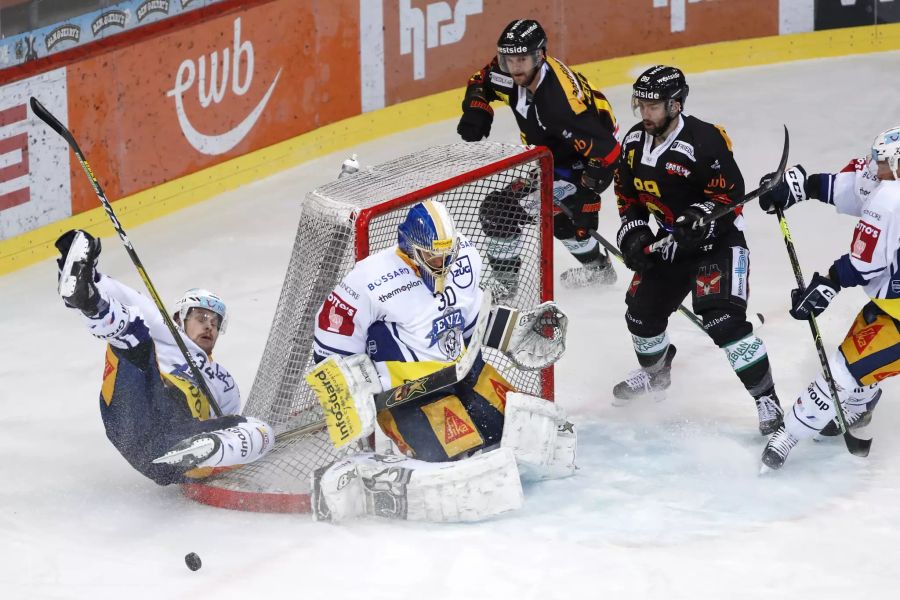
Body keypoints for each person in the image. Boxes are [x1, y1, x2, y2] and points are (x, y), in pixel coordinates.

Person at [307, 200, 575, 522]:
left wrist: (513, 330)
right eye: (435, 257)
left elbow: (470, 320)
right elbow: (331, 337)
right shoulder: (370, 279)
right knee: (457, 465)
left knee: (534, 437)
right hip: (411, 397)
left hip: (469, 375)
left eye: (449, 254)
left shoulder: (464, 259)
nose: (445, 264)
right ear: (411, 248)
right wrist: (347, 391)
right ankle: (368, 475)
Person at [612, 65, 782, 435]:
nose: (645, 114)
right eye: (640, 105)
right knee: (640, 317)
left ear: (675, 105)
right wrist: (635, 233)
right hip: (673, 242)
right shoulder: (632, 143)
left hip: (718, 244)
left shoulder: (704, 141)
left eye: (653, 107)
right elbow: (627, 196)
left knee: (724, 322)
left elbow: (731, 196)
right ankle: (657, 372)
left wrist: (702, 215)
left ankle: (766, 398)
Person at [55, 229, 273, 485]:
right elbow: (115, 290)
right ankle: (91, 305)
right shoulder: (164, 328)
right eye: (200, 318)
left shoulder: (226, 384)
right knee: (134, 332)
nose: (209, 326)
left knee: (262, 430)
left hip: (175, 435)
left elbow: (228, 426)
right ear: (179, 318)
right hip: (135, 409)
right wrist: (84, 271)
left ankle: (193, 453)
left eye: (215, 322)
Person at [756, 126, 900, 469]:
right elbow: (852, 187)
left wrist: (828, 284)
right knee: (856, 362)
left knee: (841, 371)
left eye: (883, 163)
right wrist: (799, 188)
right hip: (890, 308)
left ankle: (789, 433)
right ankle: (859, 404)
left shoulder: (892, 199)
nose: (874, 167)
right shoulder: (885, 183)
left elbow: (865, 264)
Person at [456, 18, 621, 292]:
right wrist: (477, 107)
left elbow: (608, 152)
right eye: (508, 59)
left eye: (521, 59)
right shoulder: (511, 71)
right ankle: (598, 270)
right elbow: (481, 79)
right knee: (558, 218)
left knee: (498, 212)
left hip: (581, 162)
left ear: (540, 56)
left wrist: (587, 191)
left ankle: (504, 290)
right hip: (556, 154)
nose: (514, 67)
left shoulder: (559, 106)